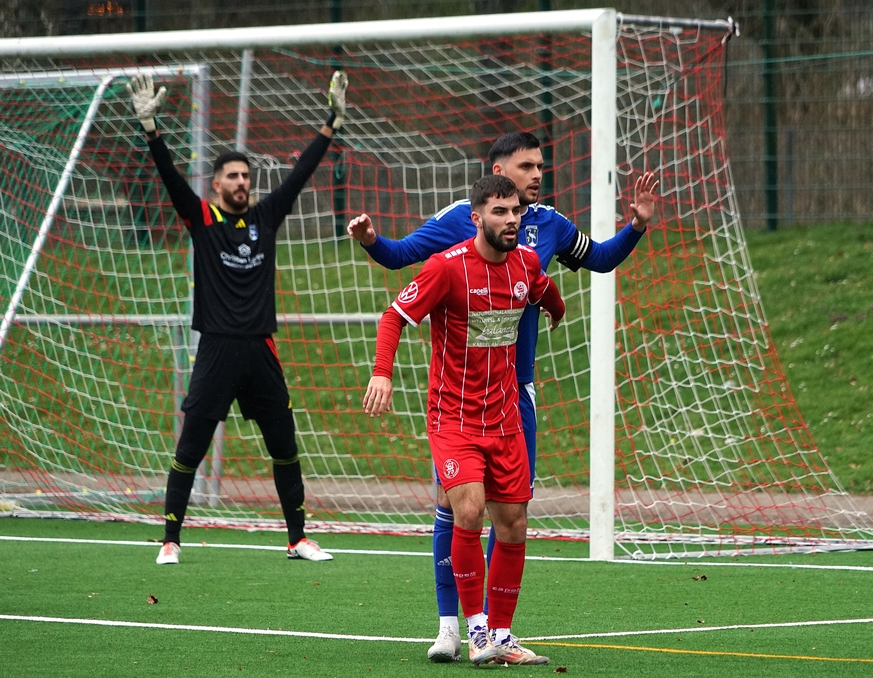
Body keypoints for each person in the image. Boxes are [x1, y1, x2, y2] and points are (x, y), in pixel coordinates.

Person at [347, 131, 659, 661]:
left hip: (515, 397)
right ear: (494, 179)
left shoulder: (546, 231)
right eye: (526, 166)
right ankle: (455, 626)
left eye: (540, 166)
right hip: (457, 402)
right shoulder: (457, 227)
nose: (537, 175)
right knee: (458, 508)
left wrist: (635, 227)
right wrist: (373, 242)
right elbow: (400, 260)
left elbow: (592, 264)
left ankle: (497, 632)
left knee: (510, 517)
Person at [127, 71, 349, 565]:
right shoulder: (203, 219)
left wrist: (331, 123)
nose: (242, 182)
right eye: (233, 176)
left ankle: (297, 539)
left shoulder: (265, 218)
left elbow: (301, 173)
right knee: (191, 447)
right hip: (217, 348)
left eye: (246, 176)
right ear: (216, 184)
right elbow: (169, 178)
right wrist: (152, 130)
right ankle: (170, 540)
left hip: (260, 349)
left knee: (284, 445)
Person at [363, 174, 565, 666]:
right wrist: (382, 373)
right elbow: (393, 317)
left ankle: (503, 635)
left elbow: (544, 290)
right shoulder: (445, 268)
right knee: (469, 512)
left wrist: (556, 309)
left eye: (515, 211)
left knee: (513, 523)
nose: (511, 220)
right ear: (476, 218)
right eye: (500, 212)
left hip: (505, 417)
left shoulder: (526, 263)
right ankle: (475, 633)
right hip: (453, 418)